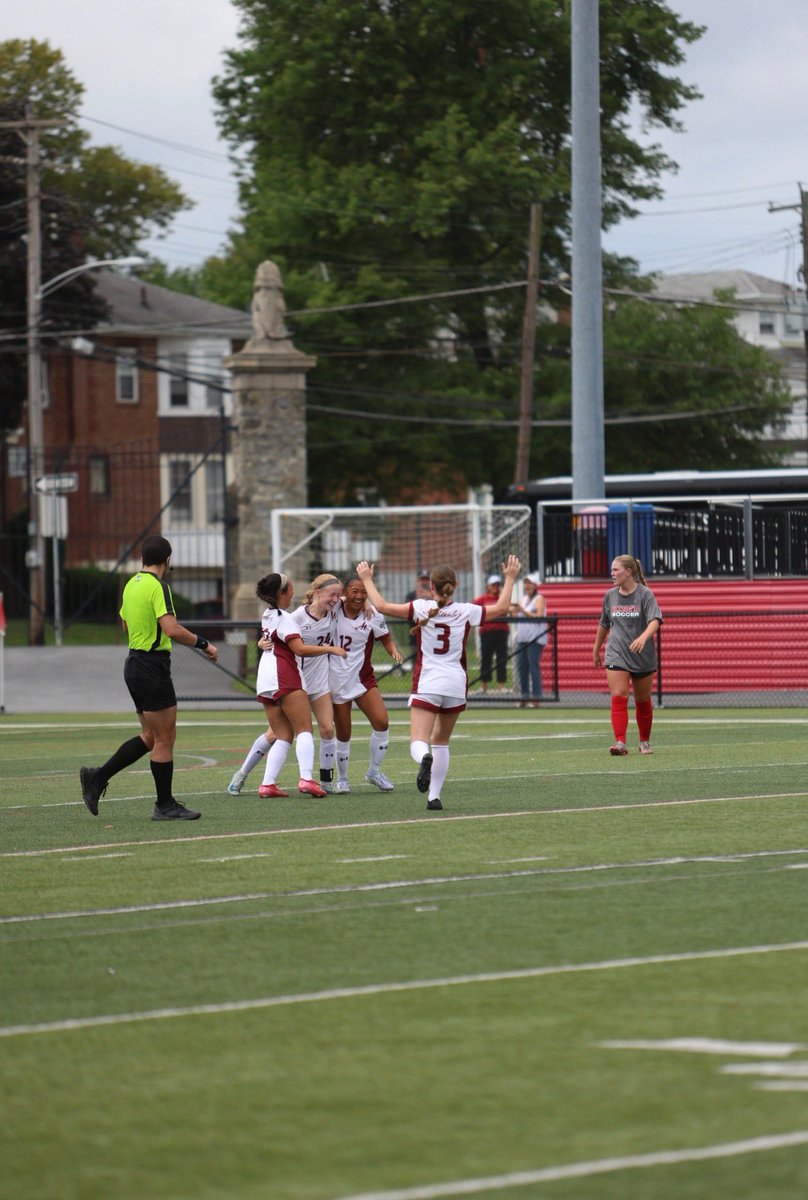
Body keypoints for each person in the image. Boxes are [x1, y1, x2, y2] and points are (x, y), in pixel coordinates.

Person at [356, 555, 520, 811]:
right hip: (456, 683)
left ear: (431, 587)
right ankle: (434, 796)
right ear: (454, 585)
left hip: (429, 681)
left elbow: (381, 605)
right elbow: (500, 609)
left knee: (419, 740)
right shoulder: (466, 610)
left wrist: (366, 579)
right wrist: (510, 577)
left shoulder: (421, 607)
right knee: (441, 741)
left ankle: (424, 758)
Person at [79, 534, 218, 821]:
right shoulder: (158, 587)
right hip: (152, 666)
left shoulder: (131, 584)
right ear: (168, 559)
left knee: (150, 737)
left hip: (134, 663)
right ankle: (164, 805)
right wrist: (204, 644)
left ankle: (98, 777)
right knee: (165, 738)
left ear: (143, 558)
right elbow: (172, 629)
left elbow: (124, 623)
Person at [227, 573, 343, 796]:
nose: (293, 591)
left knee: (284, 734)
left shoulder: (269, 613)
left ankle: (267, 784)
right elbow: (299, 649)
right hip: (286, 675)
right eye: (289, 588)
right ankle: (306, 779)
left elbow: (273, 636)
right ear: (282, 593)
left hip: (267, 678)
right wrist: (331, 649)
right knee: (304, 730)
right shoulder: (291, 617)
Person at [330, 573, 403, 793]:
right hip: (336, 678)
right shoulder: (332, 610)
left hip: (363, 678)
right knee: (343, 732)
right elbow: (317, 602)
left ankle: (374, 771)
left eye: (364, 592)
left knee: (382, 722)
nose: (360, 596)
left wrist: (394, 651)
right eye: (355, 591)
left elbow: (386, 637)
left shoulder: (372, 614)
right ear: (344, 592)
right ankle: (342, 779)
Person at [592, 555, 662, 756]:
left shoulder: (645, 594)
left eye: (616, 570)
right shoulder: (610, 596)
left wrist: (643, 638)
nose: (612, 573)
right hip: (616, 653)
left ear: (628, 571)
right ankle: (620, 743)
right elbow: (604, 623)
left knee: (642, 699)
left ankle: (644, 742)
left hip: (642, 655)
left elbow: (655, 620)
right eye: (611, 570)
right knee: (619, 695)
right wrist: (596, 649)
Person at [512, 572, 548, 707]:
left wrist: (521, 609)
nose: (527, 586)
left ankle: (537, 698)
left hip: (535, 638)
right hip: (522, 637)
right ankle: (524, 697)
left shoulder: (539, 598)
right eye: (525, 583)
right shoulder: (523, 599)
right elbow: (515, 612)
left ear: (535, 585)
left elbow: (538, 615)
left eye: (529, 583)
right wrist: (511, 608)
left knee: (534, 667)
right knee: (522, 668)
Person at [472, 573, 510, 692]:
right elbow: (472, 609)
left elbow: (509, 608)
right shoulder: (482, 599)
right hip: (487, 632)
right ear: (488, 586)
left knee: (501, 658)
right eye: (493, 585)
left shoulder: (502, 599)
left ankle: (501, 685)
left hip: (501, 632)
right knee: (486, 658)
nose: (495, 587)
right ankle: (484, 686)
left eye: (498, 585)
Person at [404, 570, 433, 658]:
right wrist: (418, 599)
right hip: (416, 633)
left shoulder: (435, 595)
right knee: (416, 659)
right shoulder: (411, 595)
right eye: (422, 579)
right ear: (418, 581)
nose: (424, 582)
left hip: (432, 632)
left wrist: (430, 597)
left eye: (426, 579)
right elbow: (406, 613)